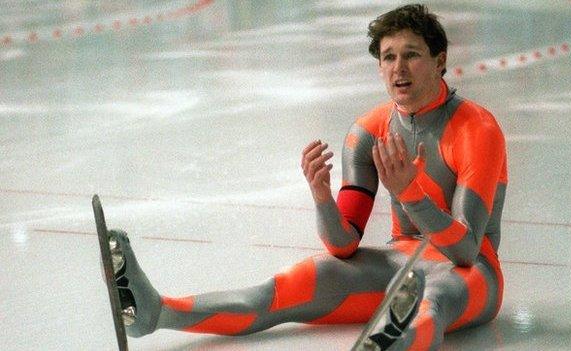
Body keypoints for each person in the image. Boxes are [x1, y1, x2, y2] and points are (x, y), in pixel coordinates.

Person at [106, 4, 507, 350]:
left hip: (472, 275)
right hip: (398, 261)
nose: (398, 68)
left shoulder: (476, 129)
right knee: (284, 288)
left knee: (429, 300)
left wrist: (411, 195)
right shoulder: (367, 132)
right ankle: (156, 312)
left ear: (440, 61)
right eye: (388, 57)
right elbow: (343, 244)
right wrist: (322, 199)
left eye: (411, 55)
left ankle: (394, 340)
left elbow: (467, 250)